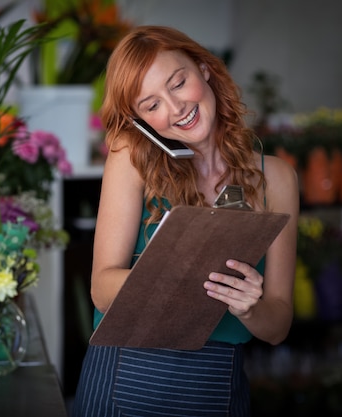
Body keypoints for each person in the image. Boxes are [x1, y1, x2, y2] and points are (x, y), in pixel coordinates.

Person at [71, 25, 299, 417]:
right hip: (125, 373)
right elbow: (102, 288)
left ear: (203, 68)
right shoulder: (132, 157)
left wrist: (249, 308)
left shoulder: (277, 177)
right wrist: (175, 270)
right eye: (151, 105)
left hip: (218, 385)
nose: (175, 108)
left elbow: (277, 326)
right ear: (140, 120)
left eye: (178, 83)